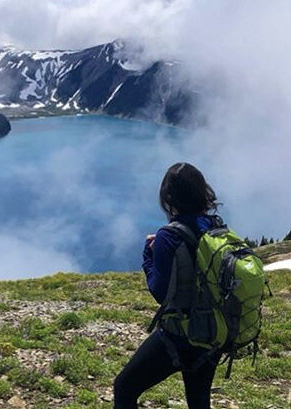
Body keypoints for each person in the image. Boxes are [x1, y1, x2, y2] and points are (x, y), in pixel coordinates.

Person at [113, 162, 223, 409]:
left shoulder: (169, 236)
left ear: (168, 197)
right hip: (213, 332)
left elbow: (160, 292)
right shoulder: (215, 226)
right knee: (198, 402)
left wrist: (148, 256)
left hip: (180, 335)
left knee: (124, 387)